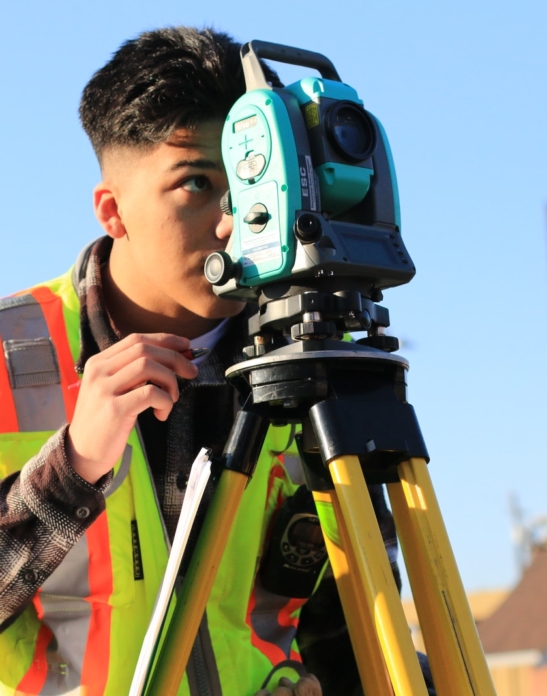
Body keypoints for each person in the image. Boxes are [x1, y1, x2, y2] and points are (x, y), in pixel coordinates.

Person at [0, 26, 433, 696]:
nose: (235, 221)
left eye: (250, 182)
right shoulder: (7, 351)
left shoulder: (305, 356)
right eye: (196, 183)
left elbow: (349, 624)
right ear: (113, 211)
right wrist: (74, 467)